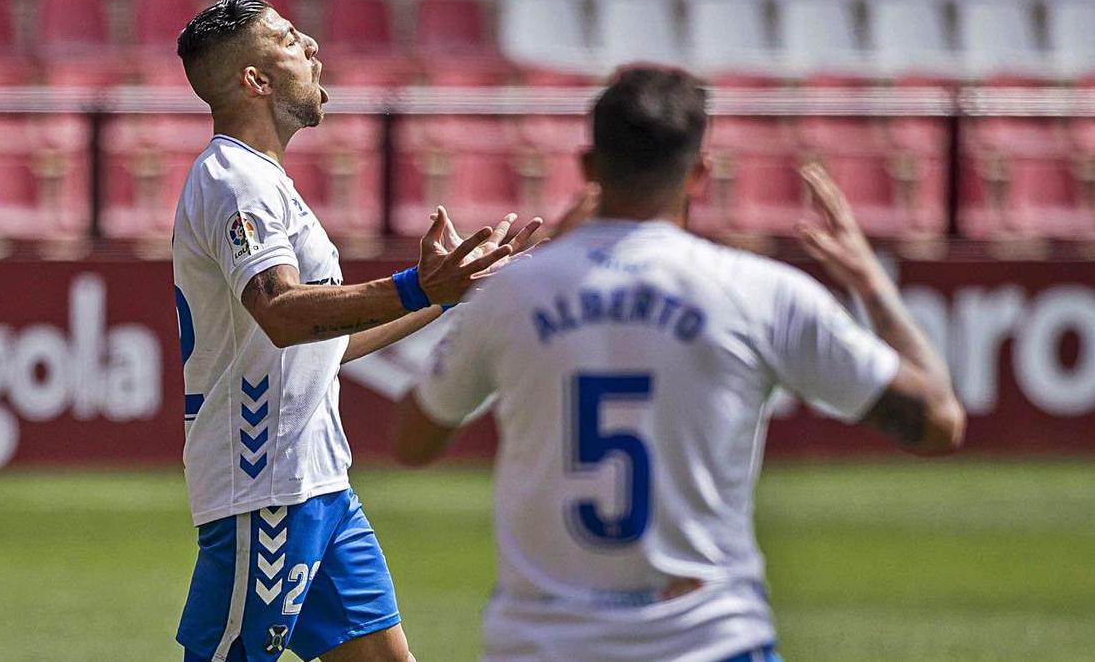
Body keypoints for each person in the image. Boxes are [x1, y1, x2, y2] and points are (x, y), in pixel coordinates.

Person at [390, 65, 965, 662]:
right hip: (713, 643)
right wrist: (871, 282)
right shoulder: (760, 291)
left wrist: (529, 277)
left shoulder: (512, 295)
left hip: (543, 645)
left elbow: (412, 439)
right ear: (701, 175)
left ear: (587, 168)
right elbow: (939, 423)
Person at [170, 0, 541, 662]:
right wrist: (417, 286)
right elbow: (282, 313)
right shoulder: (235, 182)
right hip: (267, 489)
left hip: (318, 482)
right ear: (255, 81)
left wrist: (453, 298)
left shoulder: (266, 182)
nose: (309, 43)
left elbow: (321, 343)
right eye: (285, 39)